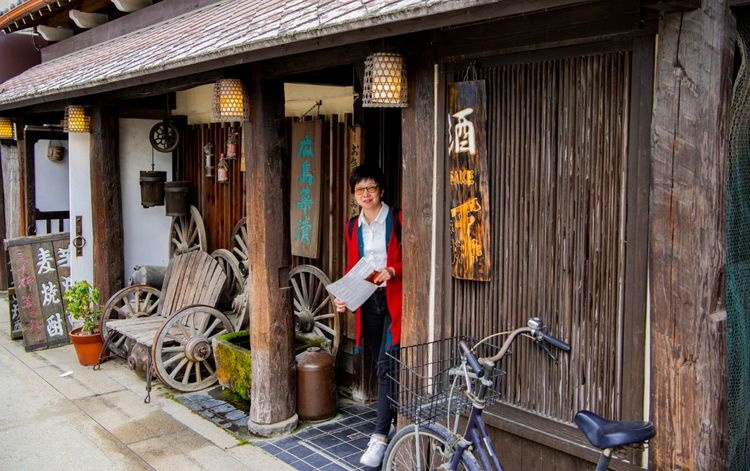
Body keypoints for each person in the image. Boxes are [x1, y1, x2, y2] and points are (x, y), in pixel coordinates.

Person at [333, 165, 402, 468]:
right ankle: (398, 418)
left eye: (371, 188)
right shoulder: (352, 227)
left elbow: (417, 254)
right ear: (354, 194)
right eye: (360, 190)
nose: (366, 194)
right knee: (381, 362)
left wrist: (394, 270)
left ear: (381, 191)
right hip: (369, 302)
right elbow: (354, 267)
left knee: (387, 362)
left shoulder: (398, 219)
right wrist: (344, 297)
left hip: (395, 300)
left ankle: (380, 437)